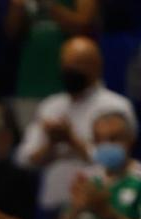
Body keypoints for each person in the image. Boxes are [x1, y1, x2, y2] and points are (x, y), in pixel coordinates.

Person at [16, 37, 136, 209]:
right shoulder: (50, 106)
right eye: (66, 64)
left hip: (103, 204)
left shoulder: (116, 106)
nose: (70, 69)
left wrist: (72, 140)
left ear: (97, 66)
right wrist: (50, 143)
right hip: (53, 199)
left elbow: (119, 160)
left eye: (78, 64)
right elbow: (23, 160)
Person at [6, 0, 99, 100]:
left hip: (66, 72)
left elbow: (83, 26)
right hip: (31, 69)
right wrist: (17, 6)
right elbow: (11, 33)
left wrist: (49, 5)